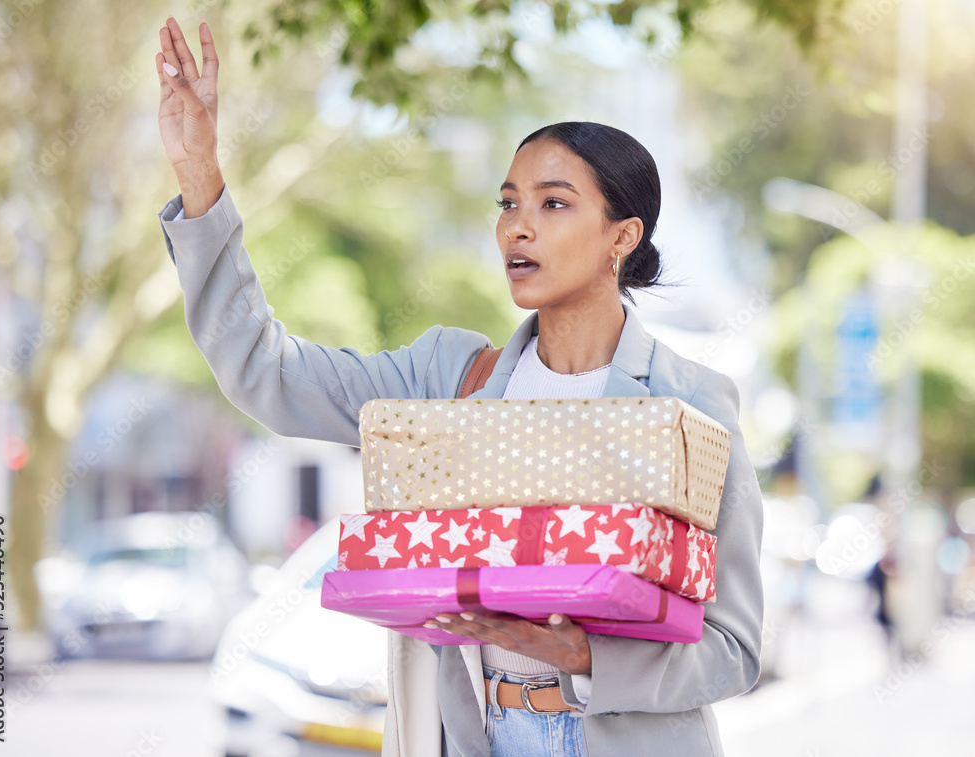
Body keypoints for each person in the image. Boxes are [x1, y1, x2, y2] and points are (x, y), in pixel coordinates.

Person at [155, 17, 764, 757]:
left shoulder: (690, 402)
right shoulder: (448, 377)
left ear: (622, 237)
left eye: (554, 203)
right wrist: (199, 179)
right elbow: (268, 374)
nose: (518, 228)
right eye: (509, 203)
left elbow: (734, 646)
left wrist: (587, 660)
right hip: (480, 735)